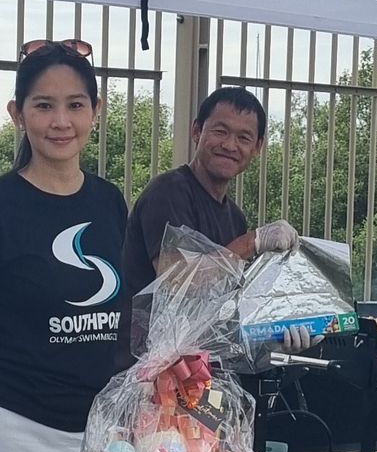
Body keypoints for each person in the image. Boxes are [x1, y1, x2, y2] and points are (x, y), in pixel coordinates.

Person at [0, 42, 131, 452]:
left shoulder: (110, 202)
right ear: (17, 114)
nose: (61, 122)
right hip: (12, 436)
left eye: (75, 105)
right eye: (43, 106)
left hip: (98, 433)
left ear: (95, 111)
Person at [118, 86, 298, 359]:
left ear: (258, 147)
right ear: (196, 131)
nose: (229, 145)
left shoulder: (234, 217)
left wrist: (275, 338)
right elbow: (176, 281)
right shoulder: (167, 192)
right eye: (220, 131)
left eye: (244, 137)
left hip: (197, 374)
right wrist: (253, 242)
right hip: (148, 374)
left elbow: (220, 312)